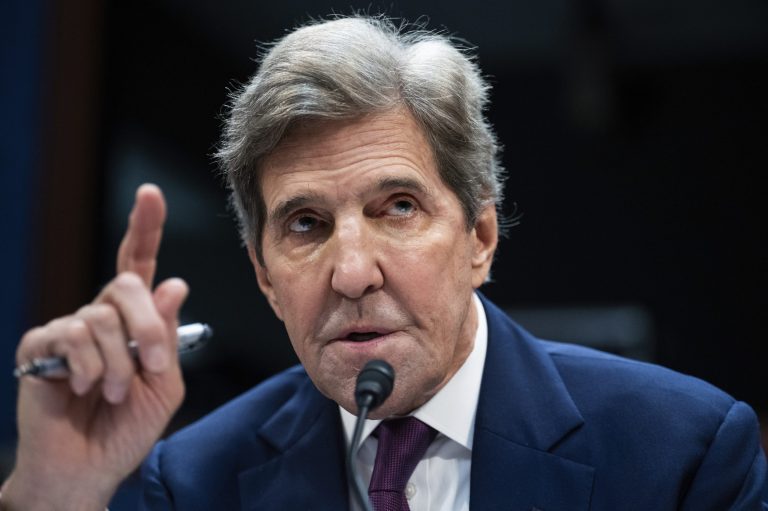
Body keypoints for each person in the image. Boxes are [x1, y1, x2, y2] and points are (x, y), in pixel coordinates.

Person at [2, 15, 766, 511]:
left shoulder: (683, 456)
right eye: (306, 223)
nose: (352, 272)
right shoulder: (195, 482)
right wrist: (53, 493)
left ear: (480, 237)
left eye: (396, 206)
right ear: (265, 277)